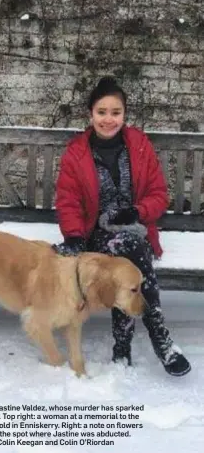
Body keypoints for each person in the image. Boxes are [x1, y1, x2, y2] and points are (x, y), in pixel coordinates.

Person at [53, 76, 191, 377]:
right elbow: (68, 201)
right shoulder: (76, 153)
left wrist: (137, 211)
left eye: (115, 112)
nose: (108, 119)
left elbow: (158, 195)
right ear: (91, 114)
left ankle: (126, 347)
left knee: (130, 248)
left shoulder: (139, 145)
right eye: (102, 112)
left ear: (124, 114)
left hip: (134, 228)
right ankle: (157, 338)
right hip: (95, 234)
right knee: (128, 251)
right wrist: (74, 236)